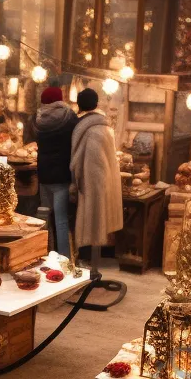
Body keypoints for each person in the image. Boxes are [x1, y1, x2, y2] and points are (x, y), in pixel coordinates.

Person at [70, 87, 123, 268]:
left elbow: (78, 161)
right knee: (98, 219)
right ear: (96, 103)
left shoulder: (84, 128)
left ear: (80, 105)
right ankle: (94, 261)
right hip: (104, 179)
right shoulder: (105, 127)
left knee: (89, 220)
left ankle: (87, 263)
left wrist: (74, 180)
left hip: (89, 181)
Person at [34, 86, 78, 258]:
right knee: (61, 219)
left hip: (44, 174)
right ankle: (64, 258)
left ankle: (42, 253)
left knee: (44, 216)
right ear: (60, 99)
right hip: (62, 175)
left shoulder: (37, 119)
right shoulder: (69, 118)